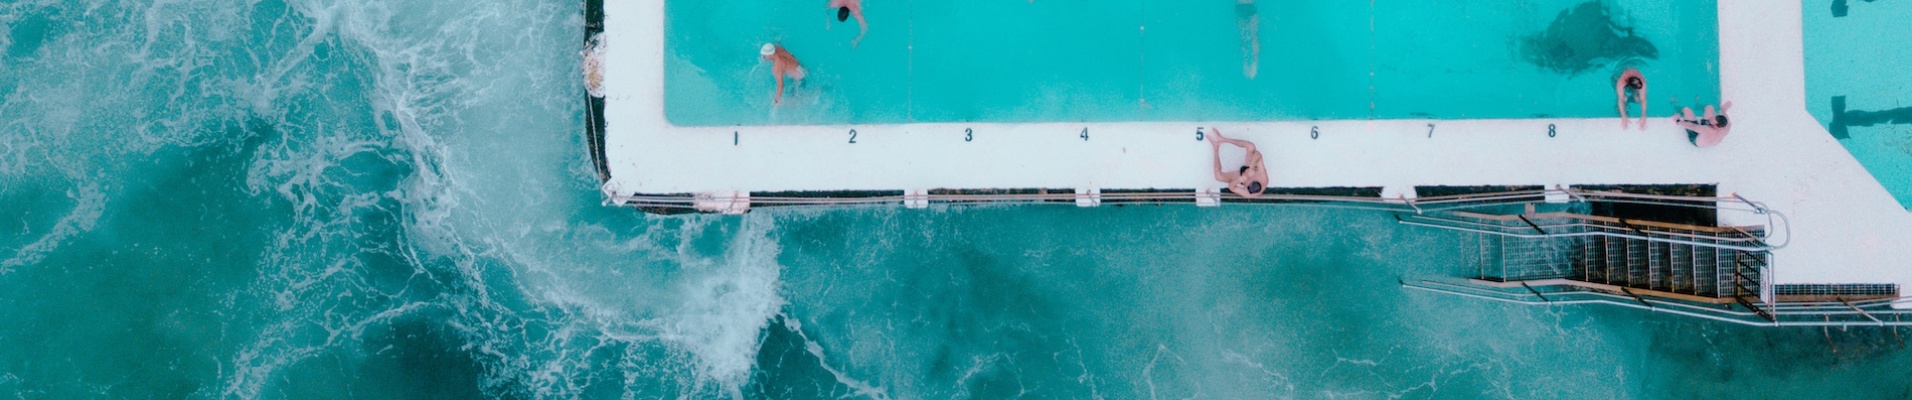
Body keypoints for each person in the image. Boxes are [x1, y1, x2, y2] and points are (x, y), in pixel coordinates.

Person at [1207, 128, 1269, 198]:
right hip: (1249, 166)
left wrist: (1238, 180)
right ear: (1255, 179)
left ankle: (1216, 147)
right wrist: (1251, 167)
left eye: (1247, 185)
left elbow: (1231, 187)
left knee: (1218, 176)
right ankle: (1223, 139)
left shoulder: (1248, 193)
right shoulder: (1263, 178)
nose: (1248, 179)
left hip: (1240, 176)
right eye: (1250, 180)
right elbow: (1258, 155)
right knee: (1251, 146)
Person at [1238, 0, 1259, 79]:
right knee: (1254, 37)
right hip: (1250, 6)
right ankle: (1254, 63)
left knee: (1243, 38)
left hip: (1240, 6)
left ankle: (1245, 63)